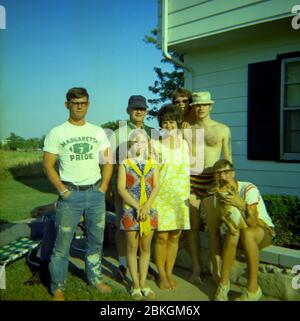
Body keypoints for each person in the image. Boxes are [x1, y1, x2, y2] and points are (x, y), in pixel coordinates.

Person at [43, 87, 113, 301]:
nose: (79, 106)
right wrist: (63, 191)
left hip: (95, 194)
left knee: (95, 240)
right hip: (70, 195)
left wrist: (102, 188)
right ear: (67, 105)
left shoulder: (98, 131)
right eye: (75, 103)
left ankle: (95, 278)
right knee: (62, 244)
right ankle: (58, 287)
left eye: (83, 102)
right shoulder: (57, 132)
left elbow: (108, 161)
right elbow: (48, 165)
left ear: (88, 104)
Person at [111, 95, 158, 282]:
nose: (139, 111)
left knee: (144, 230)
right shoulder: (118, 134)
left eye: (142, 108)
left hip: (146, 189)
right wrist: (108, 186)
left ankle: (141, 267)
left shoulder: (152, 132)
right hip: (124, 187)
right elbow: (108, 161)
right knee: (123, 227)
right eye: (135, 108)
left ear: (146, 111)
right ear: (128, 110)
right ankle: (123, 263)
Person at [212, 160, 274, 301]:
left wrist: (241, 204)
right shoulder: (219, 194)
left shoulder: (247, 188)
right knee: (233, 232)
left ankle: (253, 290)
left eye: (226, 172)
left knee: (245, 233)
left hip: (262, 230)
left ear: (233, 173)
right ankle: (223, 285)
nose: (222, 176)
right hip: (240, 235)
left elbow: (252, 222)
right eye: (218, 174)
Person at [188, 91, 232, 284]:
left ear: (210, 106)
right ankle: (196, 268)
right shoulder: (186, 130)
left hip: (213, 181)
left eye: (204, 104)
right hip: (192, 179)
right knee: (193, 227)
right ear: (193, 107)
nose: (201, 108)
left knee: (213, 228)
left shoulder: (222, 129)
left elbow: (228, 159)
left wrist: (229, 184)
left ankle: (217, 270)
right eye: (197, 105)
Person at [117, 131, 160, 300]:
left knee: (145, 248)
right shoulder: (125, 164)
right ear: (130, 144)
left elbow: (156, 186)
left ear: (148, 143)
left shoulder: (153, 163)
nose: (139, 144)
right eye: (135, 141)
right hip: (130, 210)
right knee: (132, 248)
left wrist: (146, 206)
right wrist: (138, 206)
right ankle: (135, 283)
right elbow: (121, 189)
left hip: (149, 210)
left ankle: (144, 283)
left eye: (142, 141)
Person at [154, 104, 191, 290]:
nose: (169, 126)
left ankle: (169, 272)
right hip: (160, 196)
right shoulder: (155, 144)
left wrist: (188, 194)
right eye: (165, 122)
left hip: (180, 197)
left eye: (172, 122)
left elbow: (187, 171)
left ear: (178, 123)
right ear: (161, 124)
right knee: (162, 237)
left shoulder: (184, 144)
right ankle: (161, 274)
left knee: (175, 237)